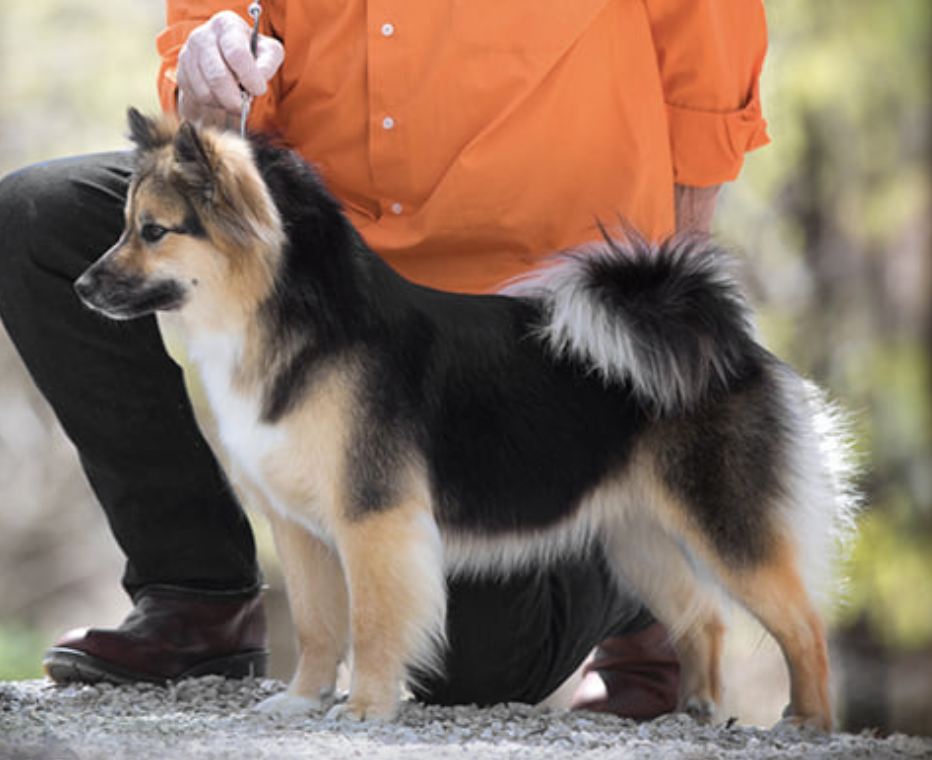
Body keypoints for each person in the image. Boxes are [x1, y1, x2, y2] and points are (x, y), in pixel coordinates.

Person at [0, 0, 769, 717]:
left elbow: (708, 33)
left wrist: (675, 317)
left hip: (531, 312)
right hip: (324, 234)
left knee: (471, 670)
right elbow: (207, 29)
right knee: (40, 221)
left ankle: (636, 571)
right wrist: (205, 70)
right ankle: (198, 598)